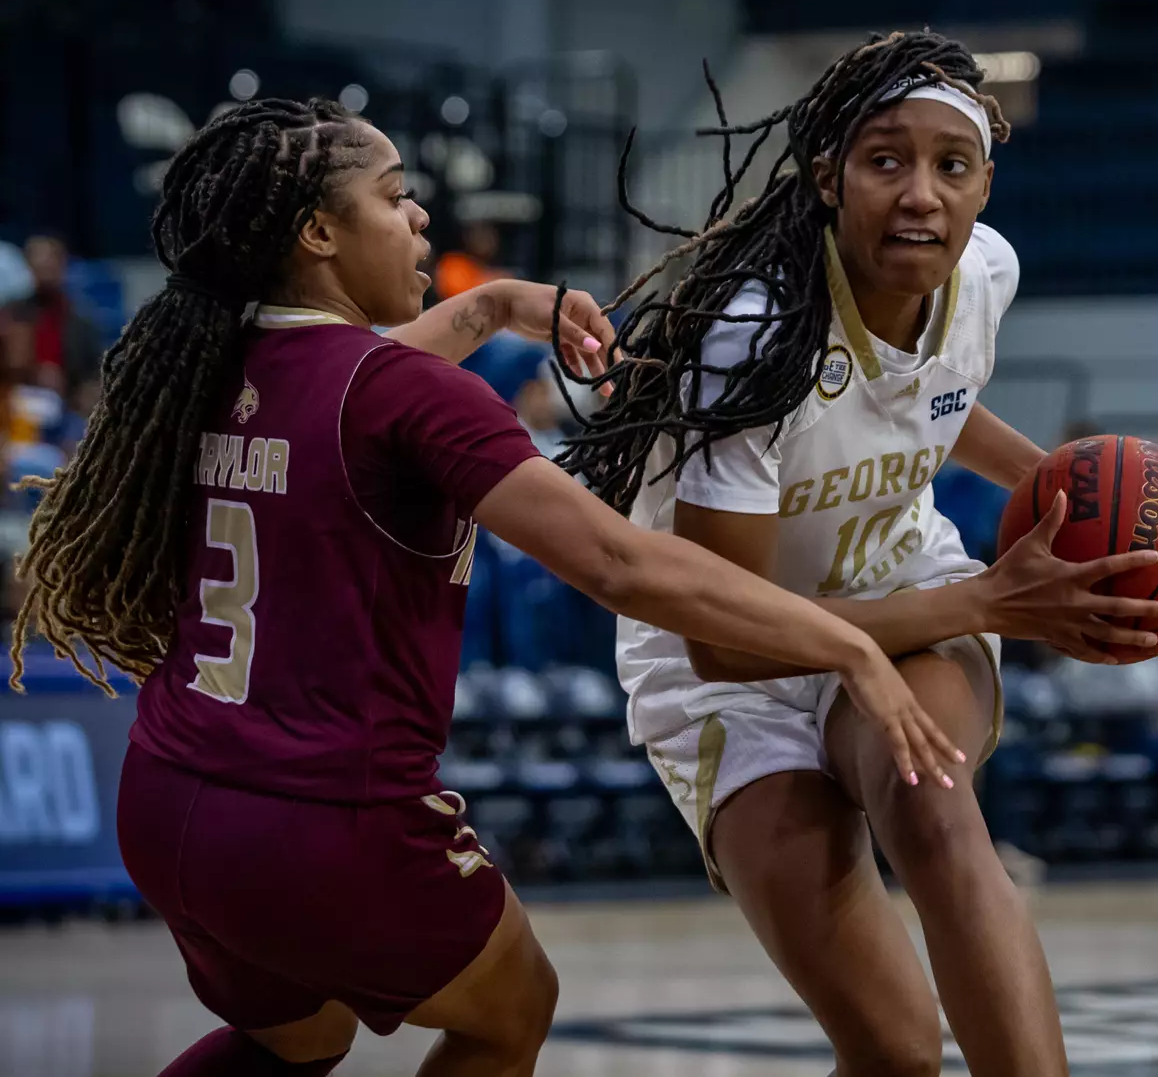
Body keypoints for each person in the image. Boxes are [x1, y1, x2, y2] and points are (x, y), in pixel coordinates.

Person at [7, 98, 960, 1077]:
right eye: (395, 196)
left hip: (168, 802)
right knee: (513, 1005)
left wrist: (496, 304)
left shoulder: (223, 367)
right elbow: (619, 564)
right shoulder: (400, 394)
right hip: (320, 818)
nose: (420, 217)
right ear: (319, 232)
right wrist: (845, 641)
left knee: (300, 1034)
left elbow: (364, 390)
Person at [561, 33, 1158, 1076]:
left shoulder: (986, 272)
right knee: (893, 1050)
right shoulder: (753, 334)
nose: (921, 193)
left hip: (900, 583)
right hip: (726, 659)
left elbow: (929, 394)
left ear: (986, 183)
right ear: (827, 174)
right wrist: (987, 600)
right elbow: (730, 637)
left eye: (952, 164)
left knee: (931, 806)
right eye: (886, 159)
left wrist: (1057, 490)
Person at [0, 234, 104, 413]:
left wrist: (81, 395)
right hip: (16, 404)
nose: (44, 268)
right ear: (29, 267)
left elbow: (95, 373)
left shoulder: (82, 319)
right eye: (39, 263)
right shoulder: (12, 314)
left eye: (50, 262)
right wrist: (35, 371)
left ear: (62, 265)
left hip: (68, 406)